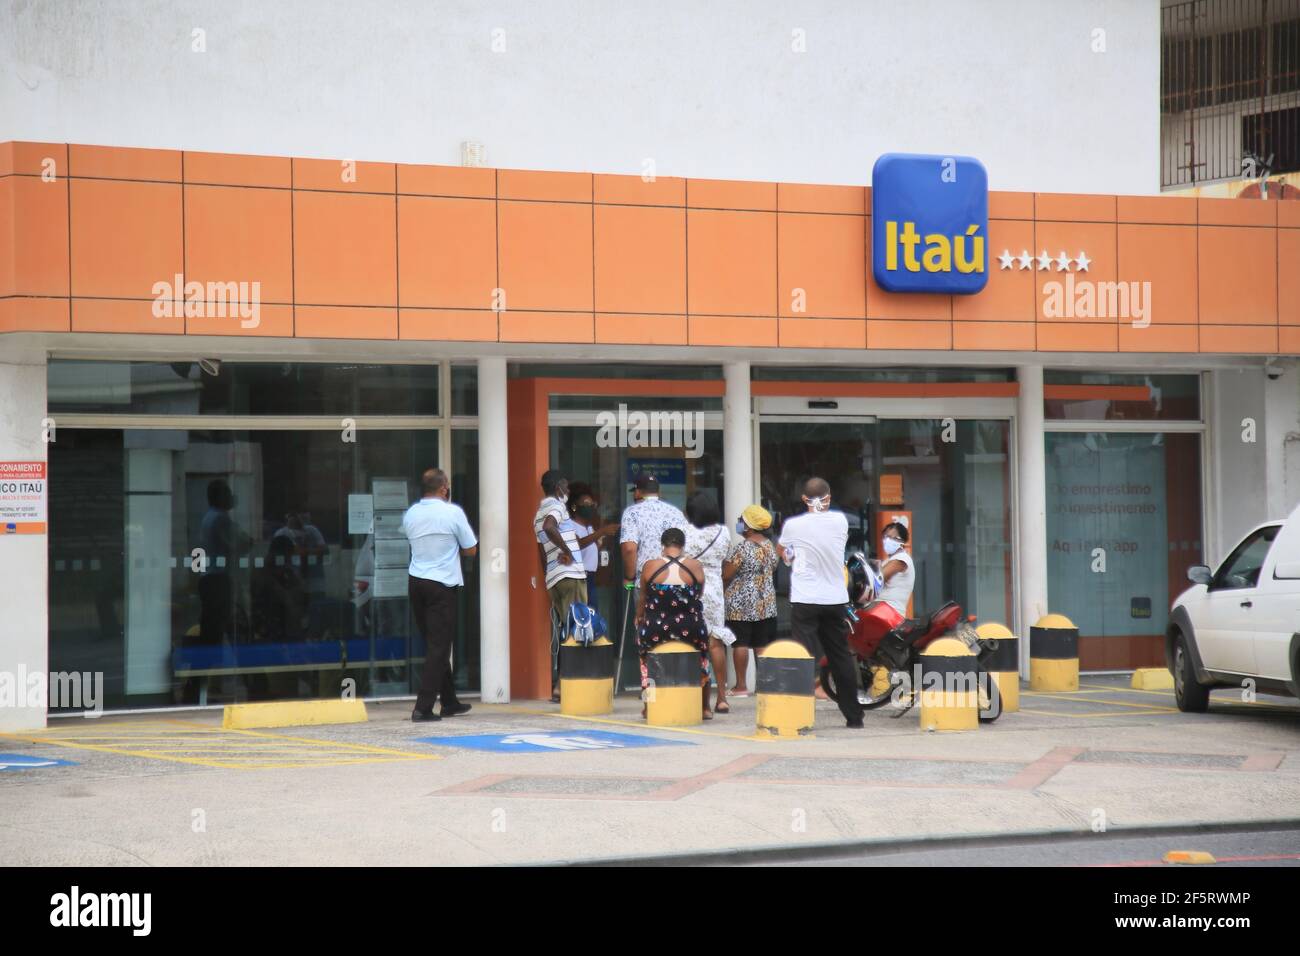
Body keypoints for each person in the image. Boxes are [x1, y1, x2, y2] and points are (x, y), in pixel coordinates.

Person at [778, 477, 864, 728]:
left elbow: (782, 550)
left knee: (804, 656)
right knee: (840, 655)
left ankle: (800, 715)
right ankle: (854, 716)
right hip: (835, 598)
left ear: (804, 499)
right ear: (828, 497)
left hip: (805, 598)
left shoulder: (793, 525)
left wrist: (791, 555)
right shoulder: (840, 521)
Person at [402, 468, 477, 722]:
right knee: (439, 647)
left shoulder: (412, 513)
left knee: (435, 644)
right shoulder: (452, 512)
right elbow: (471, 549)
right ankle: (423, 707)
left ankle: (449, 701)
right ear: (444, 488)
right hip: (441, 585)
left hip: (416, 582)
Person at [636, 527, 711, 720]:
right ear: (683, 545)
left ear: (663, 545)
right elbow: (699, 593)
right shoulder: (695, 566)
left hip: (656, 627)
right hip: (690, 626)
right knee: (701, 660)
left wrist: (639, 617)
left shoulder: (650, 566)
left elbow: (643, 597)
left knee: (647, 664)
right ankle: (704, 707)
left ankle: (647, 706)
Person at [534, 469, 586, 701]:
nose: (568, 492)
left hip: (554, 577)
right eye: (565, 487)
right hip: (570, 575)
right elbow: (549, 527)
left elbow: (541, 551)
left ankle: (562, 684)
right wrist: (567, 552)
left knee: (566, 629)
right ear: (557, 489)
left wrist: (550, 572)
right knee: (576, 629)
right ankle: (563, 685)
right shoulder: (555, 507)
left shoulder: (537, 513)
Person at [684, 492, 735, 714]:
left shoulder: (686, 532)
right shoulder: (724, 532)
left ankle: (701, 701)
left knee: (694, 643)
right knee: (715, 643)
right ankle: (722, 697)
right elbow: (727, 559)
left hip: (691, 586)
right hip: (714, 588)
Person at [722, 504, 778, 699]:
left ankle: (741, 686)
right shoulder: (770, 546)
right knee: (761, 643)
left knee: (741, 644)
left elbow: (727, 574)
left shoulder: (742, 548)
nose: (739, 524)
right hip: (766, 603)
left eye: (742, 521)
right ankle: (764, 686)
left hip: (741, 604)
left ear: (750, 527)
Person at [564, 482, 619, 614]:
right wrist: (602, 532)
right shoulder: (569, 525)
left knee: (591, 617)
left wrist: (601, 540)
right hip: (578, 578)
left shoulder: (589, 528)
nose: (590, 508)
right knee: (580, 617)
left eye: (592, 505)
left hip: (591, 578)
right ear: (574, 506)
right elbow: (577, 545)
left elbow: (591, 551)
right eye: (586, 504)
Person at [877, 520, 915, 617]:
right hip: (881, 611)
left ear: (901, 541)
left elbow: (878, 578)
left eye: (891, 537)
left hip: (890, 614)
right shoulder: (889, 559)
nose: (886, 540)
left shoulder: (902, 559)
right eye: (885, 537)